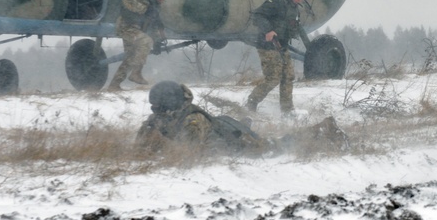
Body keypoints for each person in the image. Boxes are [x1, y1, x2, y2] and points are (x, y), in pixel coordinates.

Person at [136, 81, 346, 155]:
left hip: (238, 144)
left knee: (275, 146)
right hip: (226, 132)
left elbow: (190, 153)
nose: (155, 112)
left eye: (158, 107)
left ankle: (322, 129)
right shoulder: (163, 117)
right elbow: (141, 143)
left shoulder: (193, 120)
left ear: (168, 105)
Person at [245, 0, 307, 114]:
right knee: (273, 78)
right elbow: (257, 15)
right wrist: (268, 30)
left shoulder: (294, 7)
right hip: (267, 46)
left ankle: (287, 110)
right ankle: (252, 102)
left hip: (282, 46)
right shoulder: (276, 2)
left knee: (288, 76)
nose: (300, 0)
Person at [107, 0, 169, 91]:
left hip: (137, 30)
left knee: (130, 57)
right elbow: (126, 4)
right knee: (146, 41)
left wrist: (157, 41)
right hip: (126, 27)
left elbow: (152, 24)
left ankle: (114, 85)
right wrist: (146, 9)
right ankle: (136, 73)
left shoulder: (155, 4)